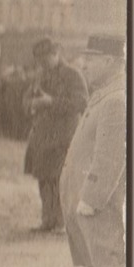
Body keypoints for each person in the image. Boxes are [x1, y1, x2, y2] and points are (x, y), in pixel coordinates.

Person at [61, 34, 127, 267]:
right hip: (97, 196)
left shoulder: (115, 99)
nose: (85, 64)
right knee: (105, 256)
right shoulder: (105, 94)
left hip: (102, 198)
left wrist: (93, 197)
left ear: (112, 61)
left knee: (109, 255)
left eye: (93, 57)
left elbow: (110, 155)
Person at [23, 38, 88, 233]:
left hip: (63, 136)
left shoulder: (72, 75)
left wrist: (51, 102)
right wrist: (30, 104)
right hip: (43, 137)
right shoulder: (41, 75)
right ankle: (47, 219)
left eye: (45, 59)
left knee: (60, 179)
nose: (42, 64)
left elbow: (81, 102)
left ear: (56, 54)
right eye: (39, 61)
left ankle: (61, 221)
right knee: (44, 177)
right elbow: (27, 98)